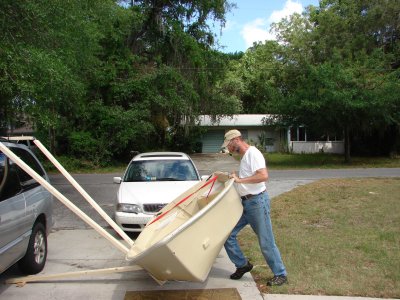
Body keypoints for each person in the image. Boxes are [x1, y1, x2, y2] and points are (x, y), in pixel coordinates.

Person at [221, 129, 287, 286]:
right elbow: (245, 178)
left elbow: (263, 176)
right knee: (227, 235)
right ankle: (243, 264)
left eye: (229, 144)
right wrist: (235, 178)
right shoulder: (244, 157)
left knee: (266, 241)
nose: (228, 148)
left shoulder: (253, 153)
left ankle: (281, 274)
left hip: (257, 203)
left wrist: (240, 181)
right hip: (245, 204)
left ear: (236, 140)